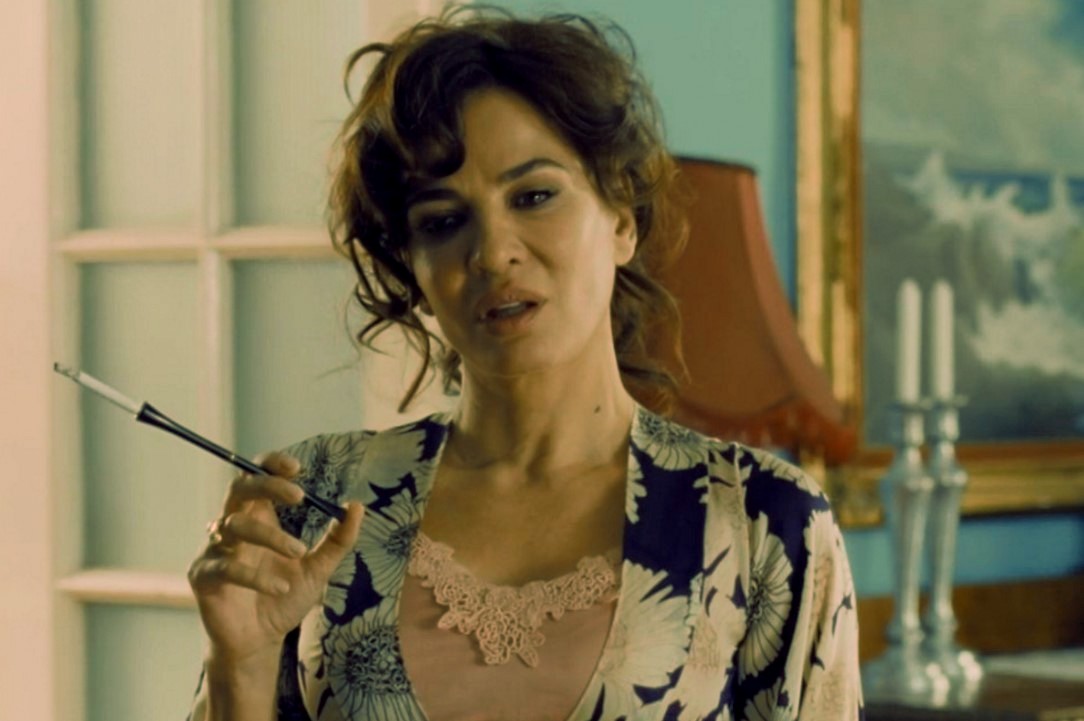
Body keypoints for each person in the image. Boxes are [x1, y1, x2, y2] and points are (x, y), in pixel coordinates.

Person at [186, 6, 864, 720]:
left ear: (622, 218)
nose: (493, 252)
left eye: (534, 196)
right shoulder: (314, 502)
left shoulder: (761, 523)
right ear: (412, 265)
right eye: (444, 221)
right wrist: (240, 664)